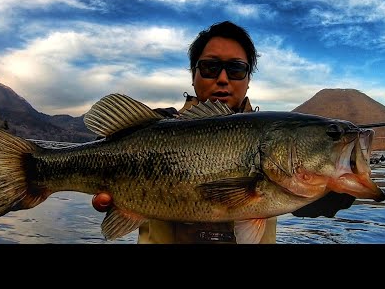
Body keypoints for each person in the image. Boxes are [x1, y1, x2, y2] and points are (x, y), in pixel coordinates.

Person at [92, 20, 355, 243]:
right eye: (210, 67)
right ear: (193, 75)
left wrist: (334, 189)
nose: (222, 78)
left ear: (248, 79)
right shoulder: (152, 127)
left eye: (236, 69)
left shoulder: (278, 140)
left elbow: (303, 201)